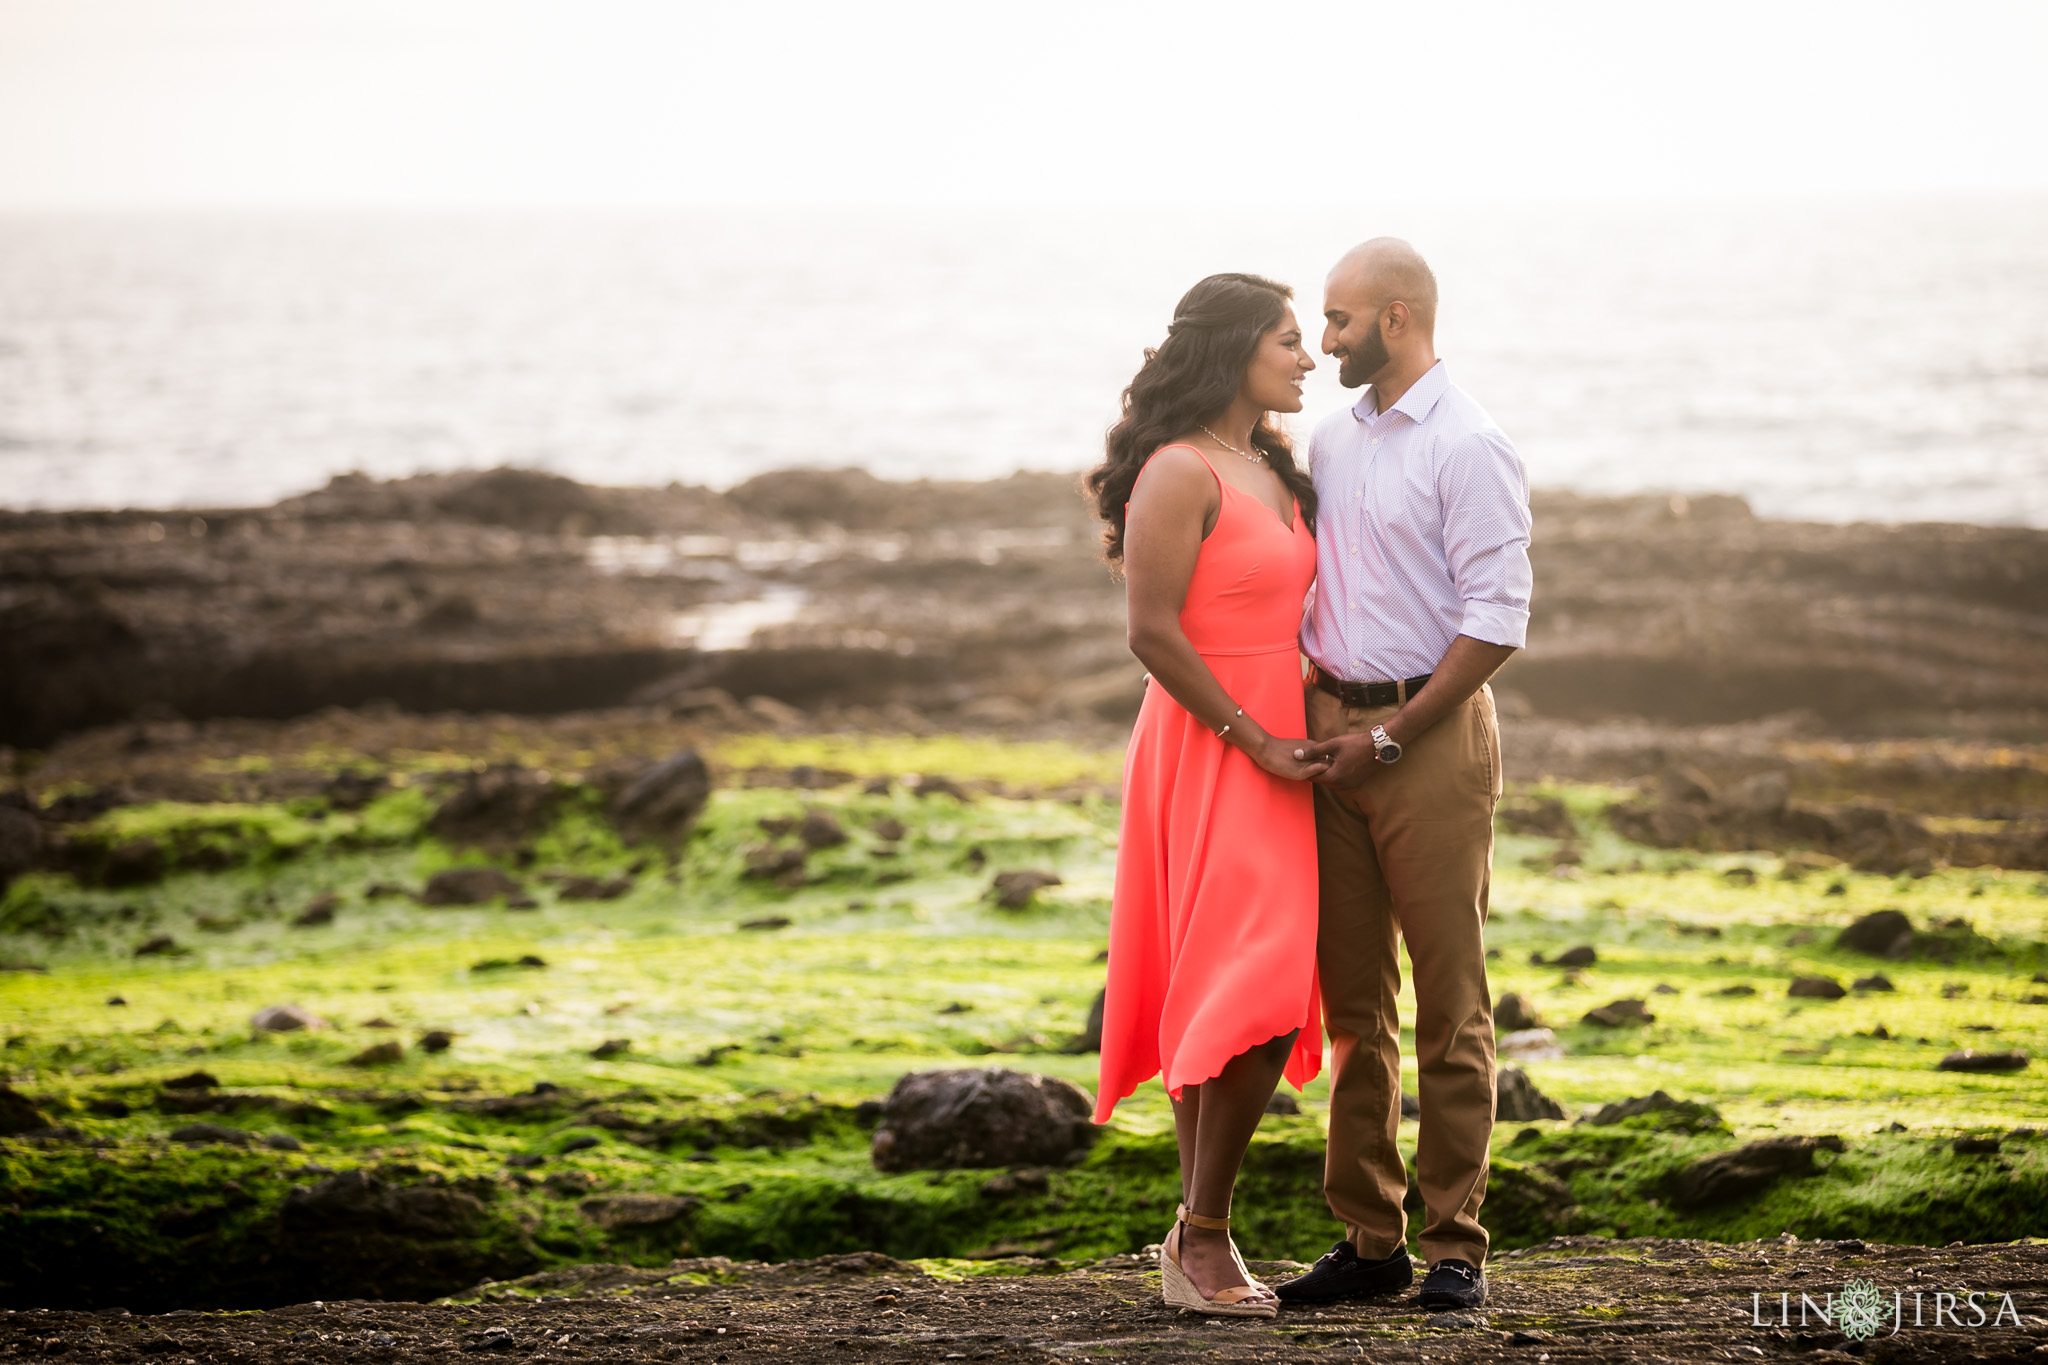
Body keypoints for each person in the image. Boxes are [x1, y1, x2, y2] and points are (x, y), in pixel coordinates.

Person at [1276, 238, 1533, 1314]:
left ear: (1392, 318)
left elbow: (1496, 622)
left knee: (1449, 999)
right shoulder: (1329, 442)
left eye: (1333, 321)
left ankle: (1452, 1247)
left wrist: (1388, 739)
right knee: (1352, 1005)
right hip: (1330, 738)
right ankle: (1367, 1240)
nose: (1319, 340)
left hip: (1426, 744)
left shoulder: (1469, 445)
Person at [1085, 273, 1330, 1318]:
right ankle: (1204, 1231)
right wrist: (1256, 739)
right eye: (1286, 339)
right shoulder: (1179, 471)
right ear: (1233, 346)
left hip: (1281, 733)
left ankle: (1192, 1238)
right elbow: (1151, 633)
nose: (1306, 357)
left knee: (1228, 983)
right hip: (1209, 741)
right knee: (1261, 987)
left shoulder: (1270, 464)